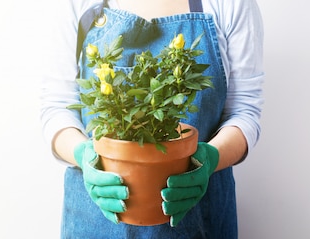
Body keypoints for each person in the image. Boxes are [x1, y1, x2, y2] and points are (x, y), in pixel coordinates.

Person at [39, 0, 264, 238]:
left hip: (198, 219)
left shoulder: (231, 4)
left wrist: (210, 159)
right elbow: (57, 107)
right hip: (94, 221)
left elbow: (244, 112)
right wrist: (82, 155)